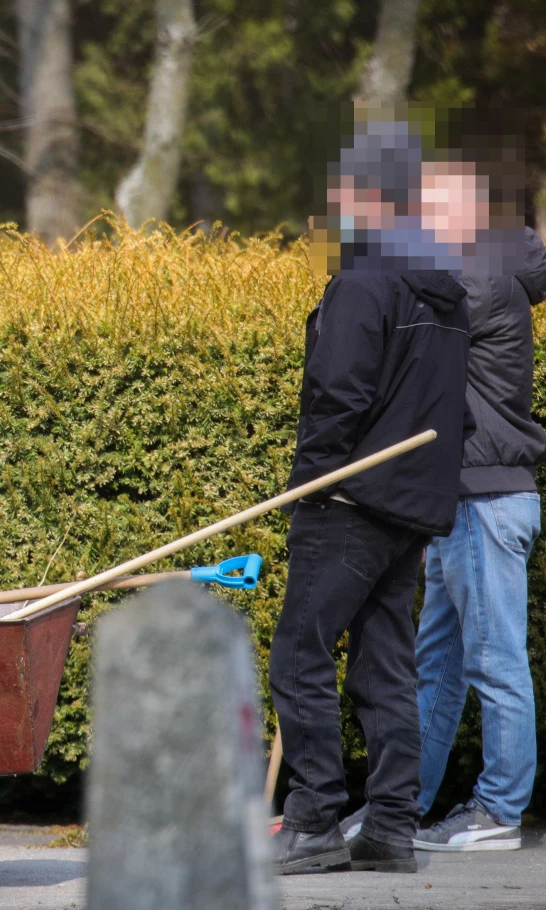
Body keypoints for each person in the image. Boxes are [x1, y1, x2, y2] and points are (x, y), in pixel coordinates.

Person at [269, 121, 474, 875]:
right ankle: (389, 825)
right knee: (386, 666)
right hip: (410, 507)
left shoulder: (361, 279)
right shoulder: (445, 292)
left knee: (299, 654)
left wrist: (309, 484)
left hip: (349, 501)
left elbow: (337, 392)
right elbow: (453, 408)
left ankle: (314, 822)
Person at [341, 194, 546, 851]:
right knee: (438, 663)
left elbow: (406, 322)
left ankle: (499, 810)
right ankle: (400, 807)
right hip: (461, 502)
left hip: (484, 500)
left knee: (494, 662)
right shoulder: (481, 273)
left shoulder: (481, 281)